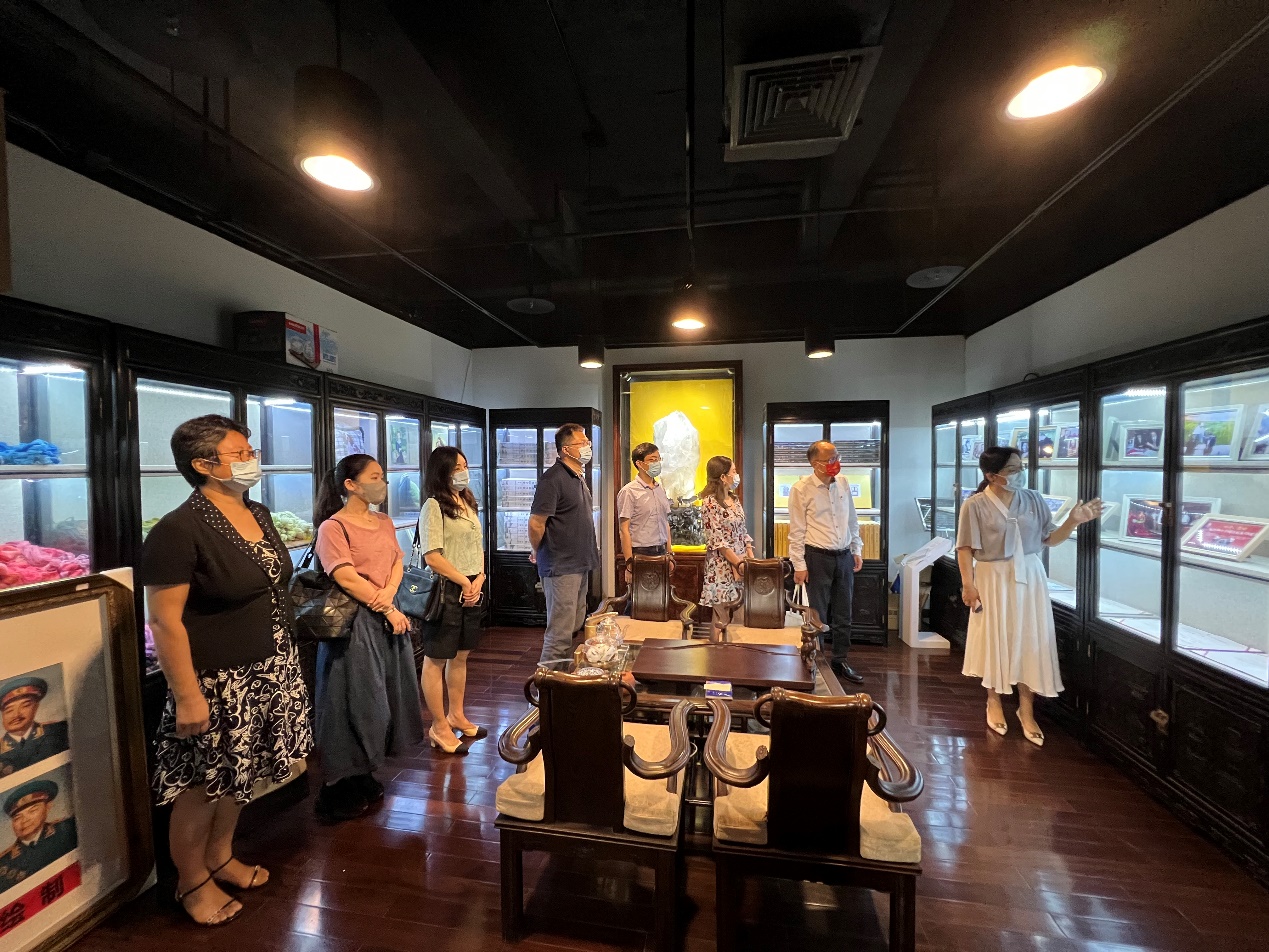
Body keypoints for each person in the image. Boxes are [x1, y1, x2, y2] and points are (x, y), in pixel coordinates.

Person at [140, 414, 311, 927]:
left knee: (243, 772)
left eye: (249, 451)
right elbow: (164, 621)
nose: (252, 459)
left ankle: (220, 856)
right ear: (203, 465)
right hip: (217, 680)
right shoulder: (178, 529)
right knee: (202, 785)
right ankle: (191, 882)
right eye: (240, 453)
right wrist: (187, 694)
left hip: (271, 667)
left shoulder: (256, 511)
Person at [957, 446, 1102, 747]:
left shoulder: (1034, 499)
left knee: (1030, 637)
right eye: (1012, 470)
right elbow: (965, 548)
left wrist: (1073, 521)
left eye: (1020, 467)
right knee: (995, 636)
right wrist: (968, 585)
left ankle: (1026, 708)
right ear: (991, 476)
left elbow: (1050, 538)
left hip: (1030, 575)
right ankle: (993, 699)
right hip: (992, 576)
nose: (1019, 473)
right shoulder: (974, 505)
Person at [312, 454, 425, 821]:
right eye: (375, 477)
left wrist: (390, 597)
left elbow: (396, 562)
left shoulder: (384, 521)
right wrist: (386, 606)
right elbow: (344, 576)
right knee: (351, 698)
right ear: (351, 485)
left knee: (386, 694)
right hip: (355, 623)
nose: (383, 483)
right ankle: (337, 783)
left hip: (387, 615)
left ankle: (365, 772)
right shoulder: (333, 527)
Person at [417, 446, 487, 756]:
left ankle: (456, 714)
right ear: (442, 471)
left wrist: (480, 577)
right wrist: (463, 581)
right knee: (436, 658)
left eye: (465, 465)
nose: (463, 471)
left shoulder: (467, 501)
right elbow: (432, 555)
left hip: (471, 587)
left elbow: (477, 545)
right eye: (456, 467)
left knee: (461, 656)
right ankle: (438, 726)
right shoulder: (434, 505)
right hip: (447, 589)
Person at [788, 440, 865, 684]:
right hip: (817, 557)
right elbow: (796, 530)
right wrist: (799, 564)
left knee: (844, 613)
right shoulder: (801, 489)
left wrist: (856, 548)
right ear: (815, 464)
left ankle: (840, 659)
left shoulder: (843, 482)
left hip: (844, 555)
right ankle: (816, 663)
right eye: (830, 459)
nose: (836, 463)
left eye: (837, 457)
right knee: (816, 615)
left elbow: (852, 519)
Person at [528, 424, 600, 665]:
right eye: (582, 443)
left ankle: (562, 679)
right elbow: (536, 523)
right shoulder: (552, 479)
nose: (588, 446)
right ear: (566, 449)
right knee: (559, 633)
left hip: (580, 563)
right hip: (561, 565)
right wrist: (537, 550)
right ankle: (546, 684)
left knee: (574, 626)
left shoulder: (578, 476)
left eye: (588, 442)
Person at [699, 455, 754, 637]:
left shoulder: (734, 500)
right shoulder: (709, 503)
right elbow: (717, 541)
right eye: (733, 471)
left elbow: (742, 531)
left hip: (742, 563)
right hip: (721, 566)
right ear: (723, 477)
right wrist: (737, 563)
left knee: (740, 614)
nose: (736, 475)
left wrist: (749, 557)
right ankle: (715, 651)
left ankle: (735, 650)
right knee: (720, 616)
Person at [0, 780, 78, 891]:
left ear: (48, 807)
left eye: (32, 811)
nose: (25, 821)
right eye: (17, 817)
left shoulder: (68, 828)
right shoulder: (4, 862)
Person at [617, 441, 672, 581]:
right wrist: (629, 562)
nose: (656, 463)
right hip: (641, 552)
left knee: (662, 594)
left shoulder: (660, 489)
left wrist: (670, 553)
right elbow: (624, 529)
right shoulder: (629, 491)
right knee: (641, 593)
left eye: (658, 459)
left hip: (662, 551)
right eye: (652, 460)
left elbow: (665, 522)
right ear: (639, 463)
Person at [0, 676, 70, 776]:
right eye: (9, 710)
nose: (16, 715)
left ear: (36, 707)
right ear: (2, 715)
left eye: (25, 706)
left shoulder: (59, 730)